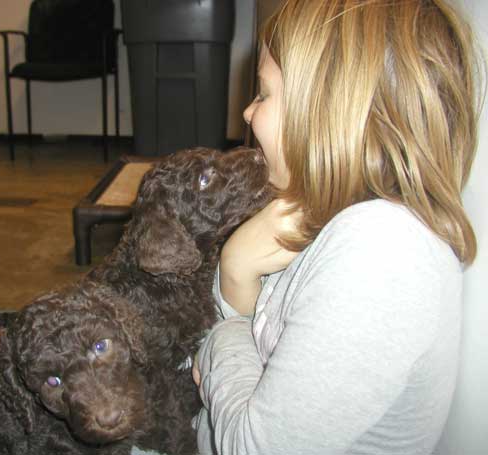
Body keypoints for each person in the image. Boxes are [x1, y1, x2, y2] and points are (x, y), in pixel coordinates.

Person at [192, 0, 481, 454]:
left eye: (264, 94)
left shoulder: (385, 252)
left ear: (328, 109)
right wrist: (236, 278)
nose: (248, 113)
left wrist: (216, 339)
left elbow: (253, 446)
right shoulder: (324, 215)